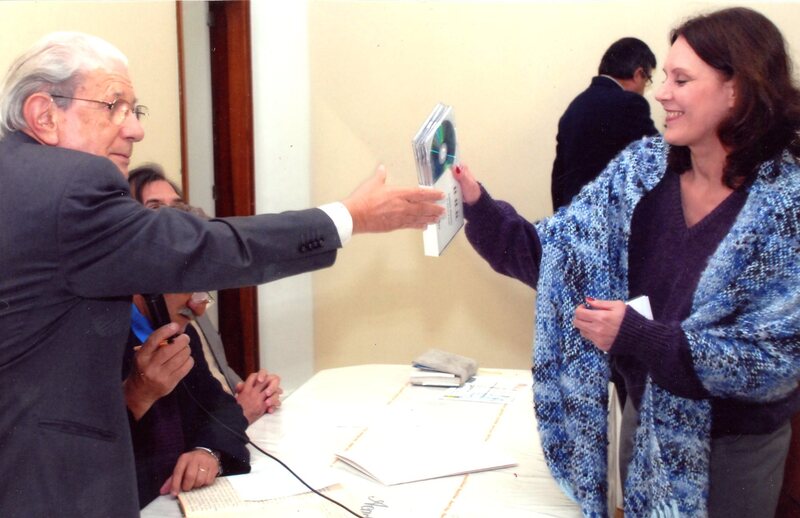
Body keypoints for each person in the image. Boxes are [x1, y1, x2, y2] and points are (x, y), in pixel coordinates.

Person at [0, 31, 443, 517]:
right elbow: (203, 246)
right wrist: (347, 217)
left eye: (135, 109)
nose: (135, 129)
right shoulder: (69, 186)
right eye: (114, 106)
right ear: (44, 115)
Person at [454, 7, 800, 517]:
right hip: (643, 424)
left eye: (682, 80)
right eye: (665, 77)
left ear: (737, 89)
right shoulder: (641, 172)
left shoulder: (786, 208)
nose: (661, 93)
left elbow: (773, 362)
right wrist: (478, 206)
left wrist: (639, 337)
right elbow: (558, 261)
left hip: (733, 456)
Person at [128, 163, 283, 423]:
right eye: (155, 208)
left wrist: (256, 394)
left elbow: (215, 399)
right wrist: (241, 413)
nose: (173, 219)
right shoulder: (112, 332)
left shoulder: (185, 325)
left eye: (177, 207)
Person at [124, 289, 250, 508]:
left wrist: (208, 451)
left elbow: (220, 406)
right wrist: (136, 396)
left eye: (204, 291)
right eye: (189, 287)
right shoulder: (95, 336)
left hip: (181, 499)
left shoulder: (181, 334)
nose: (199, 308)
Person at [550, 37, 658, 211]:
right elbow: (657, 158)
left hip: (575, 216)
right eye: (647, 81)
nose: (644, 89)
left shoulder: (575, 107)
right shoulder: (630, 103)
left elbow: (559, 176)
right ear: (639, 74)